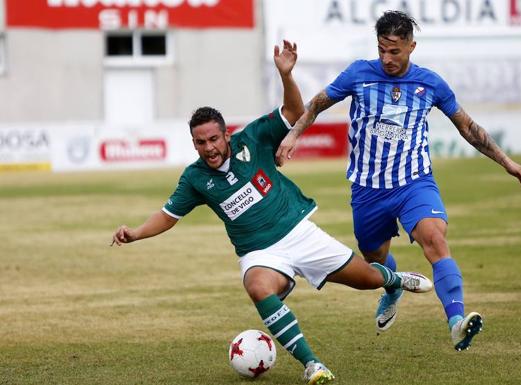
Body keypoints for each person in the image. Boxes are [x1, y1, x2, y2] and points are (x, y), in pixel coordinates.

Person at [111, 40, 433, 384]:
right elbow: (168, 215)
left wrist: (286, 75)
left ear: (226, 135)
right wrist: (135, 233)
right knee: (258, 287)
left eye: (214, 139)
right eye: (201, 143)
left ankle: (395, 281)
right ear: (194, 144)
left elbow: (294, 114)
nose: (210, 148)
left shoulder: (253, 139)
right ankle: (313, 365)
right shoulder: (194, 178)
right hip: (259, 252)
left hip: (299, 232)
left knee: (368, 279)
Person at [275, 11, 521, 351]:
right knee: (374, 258)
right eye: (382, 50)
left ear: (411, 47)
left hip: (414, 182)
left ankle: (457, 322)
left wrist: (507, 162)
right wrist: (293, 136)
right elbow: (316, 105)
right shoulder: (359, 73)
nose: (387, 58)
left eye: (395, 51)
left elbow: (469, 128)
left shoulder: (430, 83)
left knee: (435, 239)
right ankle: (392, 287)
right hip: (368, 189)